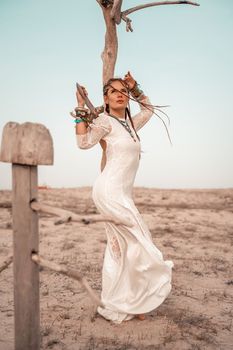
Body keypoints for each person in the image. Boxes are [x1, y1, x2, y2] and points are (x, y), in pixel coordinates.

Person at [73, 71, 174, 324]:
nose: (120, 94)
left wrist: (136, 87)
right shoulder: (105, 122)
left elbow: (149, 110)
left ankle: (129, 301)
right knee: (137, 241)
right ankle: (125, 301)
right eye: (114, 91)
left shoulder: (130, 123)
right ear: (105, 99)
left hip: (123, 193)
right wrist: (79, 109)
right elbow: (84, 143)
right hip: (109, 191)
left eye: (123, 91)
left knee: (121, 247)